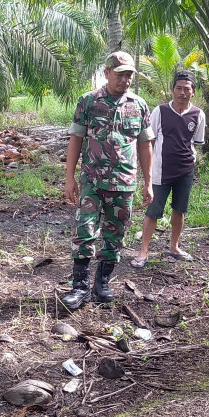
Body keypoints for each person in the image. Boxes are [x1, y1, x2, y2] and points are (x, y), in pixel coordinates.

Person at [62, 51, 154, 310]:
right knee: (84, 230)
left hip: (123, 182)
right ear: (107, 73)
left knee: (115, 233)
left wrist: (148, 182)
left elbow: (145, 145)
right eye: (120, 74)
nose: (125, 80)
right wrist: (69, 178)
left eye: (129, 75)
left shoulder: (139, 105)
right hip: (92, 180)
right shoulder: (88, 102)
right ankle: (79, 286)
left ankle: (102, 282)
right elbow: (76, 140)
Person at [130, 70, 205, 268]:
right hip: (160, 171)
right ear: (172, 90)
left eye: (186, 89)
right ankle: (143, 251)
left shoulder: (198, 114)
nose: (182, 93)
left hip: (185, 170)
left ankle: (174, 247)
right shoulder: (160, 111)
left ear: (193, 91)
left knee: (179, 210)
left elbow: (195, 143)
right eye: (178, 88)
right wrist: (151, 168)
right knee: (153, 210)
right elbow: (150, 141)